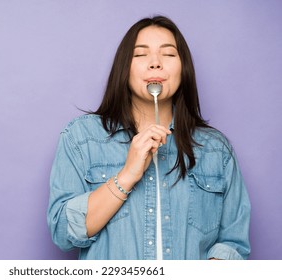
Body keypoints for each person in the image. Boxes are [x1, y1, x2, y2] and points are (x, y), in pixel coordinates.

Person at [47, 15, 251, 260]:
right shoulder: (81, 138)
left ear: (183, 68)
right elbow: (63, 232)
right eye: (140, 54)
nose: (155, 63)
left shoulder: (216, 150)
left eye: (168, 54)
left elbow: (233, 243)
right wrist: (128, 174)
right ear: (125, 68)